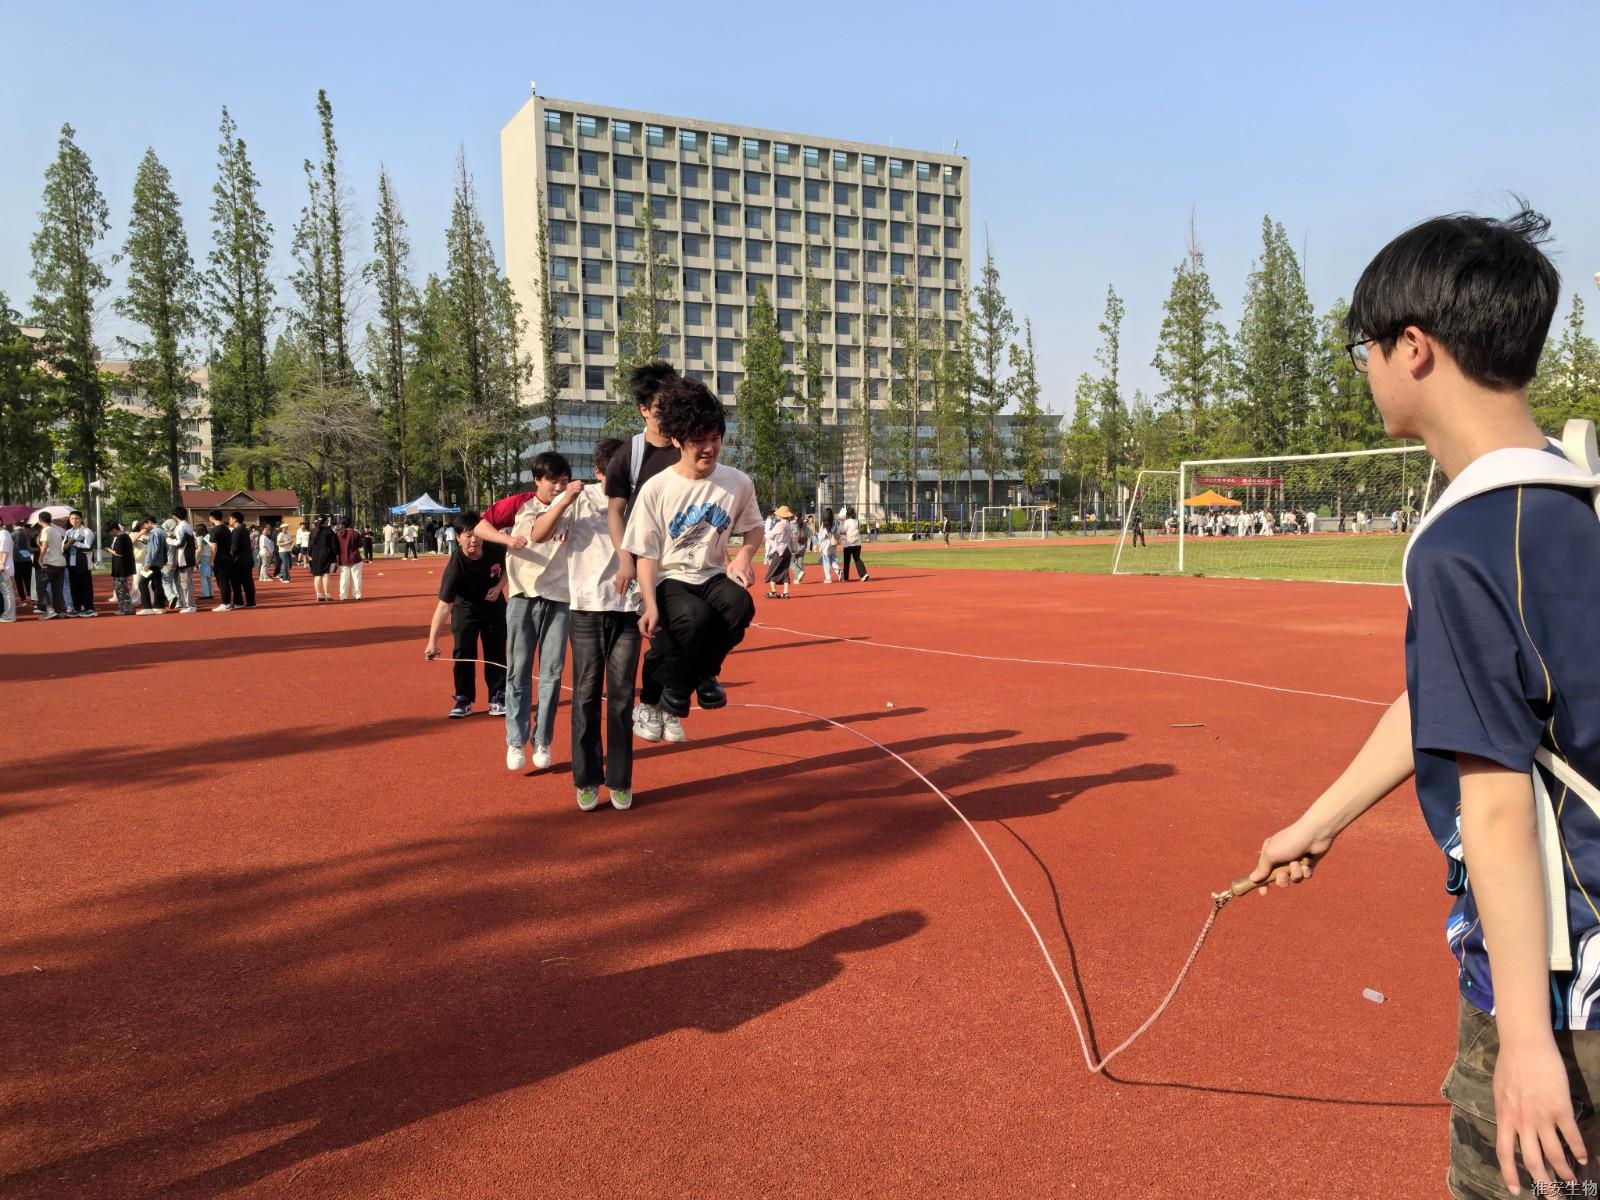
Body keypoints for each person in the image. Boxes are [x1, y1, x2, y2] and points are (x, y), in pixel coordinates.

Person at [1247, 209, 1600, 1198]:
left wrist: (1524, 1042)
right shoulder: (1576, 509)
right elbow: (1448, 701)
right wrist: (1317, 821)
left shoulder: (1463, 544)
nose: (1360, 370)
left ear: (1415, 350)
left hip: (1563, 990)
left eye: (1363, 347)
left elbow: (1493, 801)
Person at [623, 375, 761, 724]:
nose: (709, 449)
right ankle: (689, 681)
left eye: (715, 439)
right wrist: (649, 605)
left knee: (740, 606)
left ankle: (690, 679)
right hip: (669, 577)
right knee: (695, 620)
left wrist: (745, 555)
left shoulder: (737, 482)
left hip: (712, 573)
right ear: (677, 440)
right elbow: (647, 554)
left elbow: (754, 528)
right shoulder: (657, 488)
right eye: (698, 441)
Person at [532, 438, 641, 811]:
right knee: (585, 695)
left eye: (624, 474)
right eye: (612, 473)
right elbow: (538, 533)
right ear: (598, 473)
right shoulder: (579, 500)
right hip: (586, 610)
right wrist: (565, 498)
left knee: (623, 697)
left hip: (627, 610)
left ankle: (621, 780)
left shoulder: (638, 500)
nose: (618, 480)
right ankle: (586, 779)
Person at [605, 360, 689, 746]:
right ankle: (654, 703)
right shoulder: (630, 455)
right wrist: (626, 558)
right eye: (659, 408)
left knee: (691, 633)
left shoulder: (684, 448)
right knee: (664, 634)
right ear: (643, 410)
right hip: (648, 560)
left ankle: (665, 705)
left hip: (687, 556)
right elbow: (615, 511)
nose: (667, 414)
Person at [476, 452, 575, 773]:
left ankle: (543, 739)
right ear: (537, 480)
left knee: (552, 673)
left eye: (564, 481)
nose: (559, 487)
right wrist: (504, 538)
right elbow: (479, 525)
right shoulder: (519, 504)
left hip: (560, 598)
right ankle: (515, 740)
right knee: (518, 672)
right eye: (553, 481)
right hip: (522, 597)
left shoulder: (574, 504)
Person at [424, 510, 507, 720]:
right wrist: (432, 642)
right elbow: (443, 606)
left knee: (496, 651)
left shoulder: (495, 548)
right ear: (458, 537)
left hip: (493, 606)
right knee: (464, 651)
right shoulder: (456, 566)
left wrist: (498, 587)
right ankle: (463, 699)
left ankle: (498, 696)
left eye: (477, 534)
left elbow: (509, 568)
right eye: (468, 535)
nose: (474, 540)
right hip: (465, 608)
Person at [34, 513, 67, 619]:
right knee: (57, 589)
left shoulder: (46, 530)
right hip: (60, 563)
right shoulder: (56, 531)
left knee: (40, 587)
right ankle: (59, 611)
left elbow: (44, 546)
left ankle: (50, 609)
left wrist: (40, 559)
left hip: (50, 563)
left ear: (40, 521)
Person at [63, 510, 96, 616]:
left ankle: (89, 608)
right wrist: (67, 545)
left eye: (77, 518)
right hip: (71, 563)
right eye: (72, 518)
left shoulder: (87, 532)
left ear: (81, 519)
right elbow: (63, 547)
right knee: (74, 586)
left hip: (84, 562)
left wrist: (75, 543)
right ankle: (77, 607)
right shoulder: (68, 532)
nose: (74, 520)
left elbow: (88, 546)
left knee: (85, 585)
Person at [165, 506, 197, 612]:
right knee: (186, 582)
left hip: (184, 558)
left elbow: (180, 542)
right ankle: (189, 604)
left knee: (186, 583)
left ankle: (190, 606)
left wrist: (168, 539)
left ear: (175, 515)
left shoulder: (181, 527)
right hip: (188, 557)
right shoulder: (187, 526)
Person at [134, 516, 167, 614]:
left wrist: (147, 563)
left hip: (152, 563)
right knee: (157, 584)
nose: (143, 526)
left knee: (142, 584)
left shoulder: (155, 532)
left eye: (144, 524)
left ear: (149, 522)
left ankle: (147, 607)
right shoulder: (162, 531)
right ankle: (159, 606)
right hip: (159, 562)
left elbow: (153, 549)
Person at [764, 505, 797, 600]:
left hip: (779, 550)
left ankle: (773, 591)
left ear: (781, 515)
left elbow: (770, 535)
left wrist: (770, 539)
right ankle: (785, 593)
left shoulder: (780, 524)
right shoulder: (788, 524)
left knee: (773, 569)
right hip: (787, 550)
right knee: (784, 570)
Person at [225, 511, 256, 609]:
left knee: (236, 583)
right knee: (248, 582)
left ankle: (239, 602)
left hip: (239, 561)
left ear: (235, 519)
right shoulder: (245, 530)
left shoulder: (237, 530)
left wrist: (229, 558)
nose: (229, 520)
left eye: (230, 518)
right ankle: (251, 602)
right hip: (247, 560)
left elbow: (234, 548)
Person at [106, 521, 135, 615]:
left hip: (121, 568)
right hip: (122, 567)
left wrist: (108, 550)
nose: (110, 534)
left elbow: (119, 552)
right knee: (122, 589)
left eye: (110, 531)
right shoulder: (123, 537)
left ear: (114, 530)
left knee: (121, 589)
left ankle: (125, 609)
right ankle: (127, 608)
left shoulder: (121, 537)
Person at [308, 515, 337, 602]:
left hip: (315, 556)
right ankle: (327, 595)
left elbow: (309, 546)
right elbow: (334, 545)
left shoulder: (312, 531)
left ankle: (318, 595)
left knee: (317, 576)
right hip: (327, 555)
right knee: (326, 575)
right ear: (325, 521)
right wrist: (336, 555)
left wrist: (311, 555)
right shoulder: (329, 531)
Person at [334, 519, 364, 601]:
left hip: (343, 559)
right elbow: (360, 546)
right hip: (355, 558)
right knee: (356, 577)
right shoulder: (355, 533)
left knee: (344, 578)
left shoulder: (338, 534)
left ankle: (343, 596)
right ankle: (357, 595)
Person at [838, 507, 869, 582]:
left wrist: (840, 522)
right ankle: (864, 574)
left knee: (847, 561)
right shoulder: (857, 521)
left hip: (848, 544)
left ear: (847, 514)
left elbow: (842, 530)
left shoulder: (847, 522)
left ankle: (846, 577)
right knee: (857, 559)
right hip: (857, 543)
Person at [817, 508, 840, 583]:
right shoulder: (835, 522)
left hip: (826, 545)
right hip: (833, 543)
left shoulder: (824, 524)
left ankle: (828, 577)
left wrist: (819, 543)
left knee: (826, 560)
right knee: (832, 558)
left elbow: (821, 536)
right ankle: (838, 570)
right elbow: (839, 531)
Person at [0, 519, 14, 623]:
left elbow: (4, 551)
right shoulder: (4, 533)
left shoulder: (3, 533)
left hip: (4, 567)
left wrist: (2, 564)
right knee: (5, 591)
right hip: (4, 566)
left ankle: (9, 615)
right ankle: (8, 614)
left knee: (7, 591)